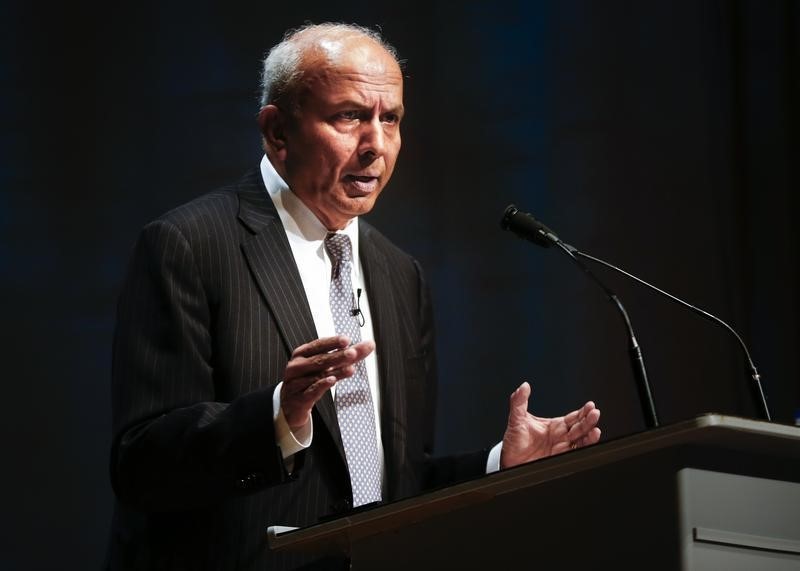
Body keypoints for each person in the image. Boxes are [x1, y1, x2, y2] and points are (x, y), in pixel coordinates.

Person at [107, 23, 601, 570]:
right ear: (277, 131)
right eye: (349, 116)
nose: (376, 146)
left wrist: (498, 465)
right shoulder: (190, 245)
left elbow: (393, 480)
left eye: (390, 119)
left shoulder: (399, 274)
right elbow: (142, 465)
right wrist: (279, 416)